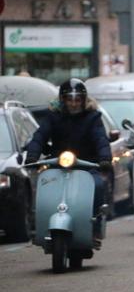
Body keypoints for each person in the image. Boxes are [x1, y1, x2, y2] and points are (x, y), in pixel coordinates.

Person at [25, 78, 112, 243]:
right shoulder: (53, 116)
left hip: (86, 164)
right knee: (43, 185)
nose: (73, 103)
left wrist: (105, 158)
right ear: (62, 100)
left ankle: (95, 223)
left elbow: (100, 139)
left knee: (98, 185)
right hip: (58, 164)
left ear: (84, 100)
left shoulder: (93, 117)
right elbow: (39, 136)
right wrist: (32, 156)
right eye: (69, 99)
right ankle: (38, 222)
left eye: (77, 99)